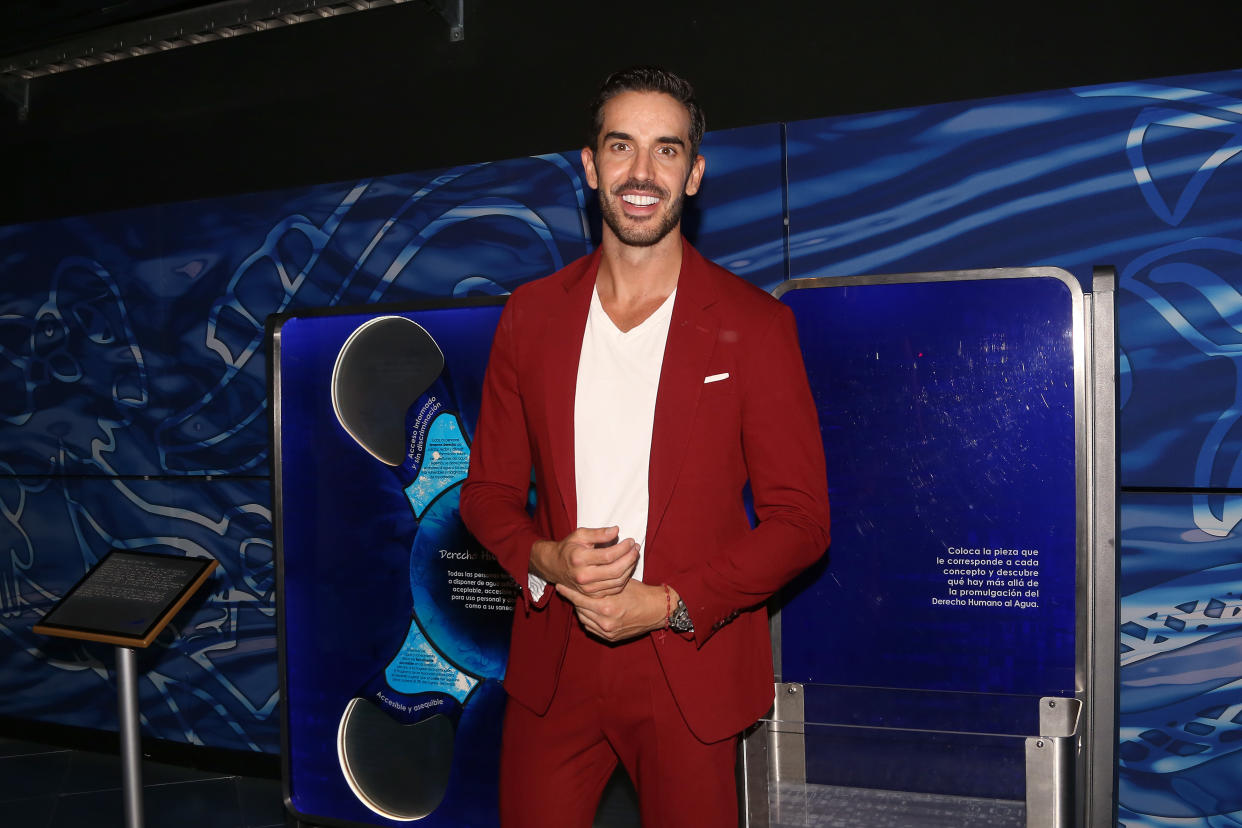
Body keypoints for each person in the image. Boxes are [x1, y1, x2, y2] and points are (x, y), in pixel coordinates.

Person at [460, 66, 830, 827]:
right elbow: (487, 496)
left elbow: (801, 524)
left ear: (693, 174)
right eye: (621, 146)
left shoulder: (755, 326)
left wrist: (667, 604)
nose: (641, 172)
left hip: (686, 662)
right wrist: (544, 558)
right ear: (591, 166)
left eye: (666, 151)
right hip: (554, 660)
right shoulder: (530, 317)